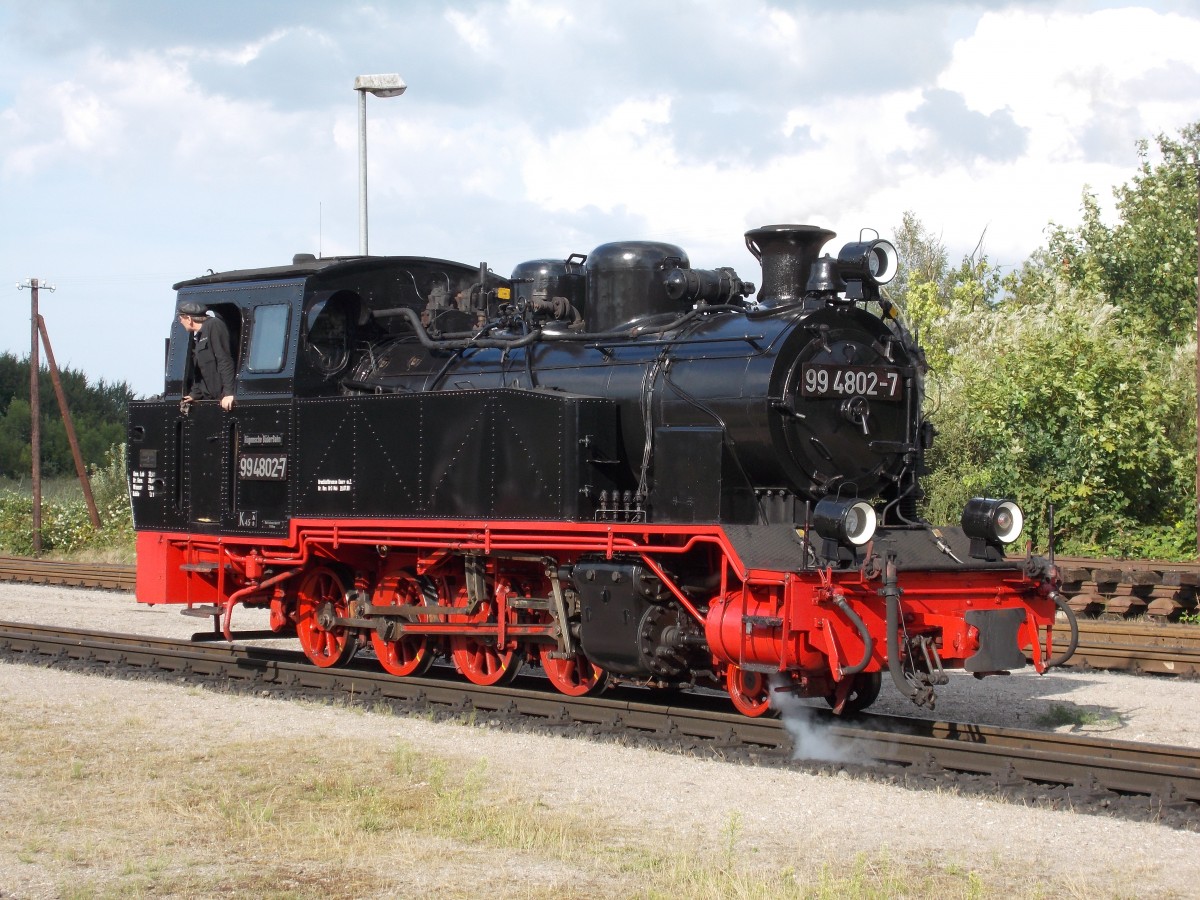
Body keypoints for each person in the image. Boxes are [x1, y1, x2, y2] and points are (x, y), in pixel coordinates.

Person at [177, 300, 236, 411]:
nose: (180, 321)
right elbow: (201, 371)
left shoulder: (213, 325)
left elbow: (224, 358)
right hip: (211, 397)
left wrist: (229, 393)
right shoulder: (199, 335)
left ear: (189, 319)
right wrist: (195, 393)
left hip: (221, 396)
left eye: (181, 318)